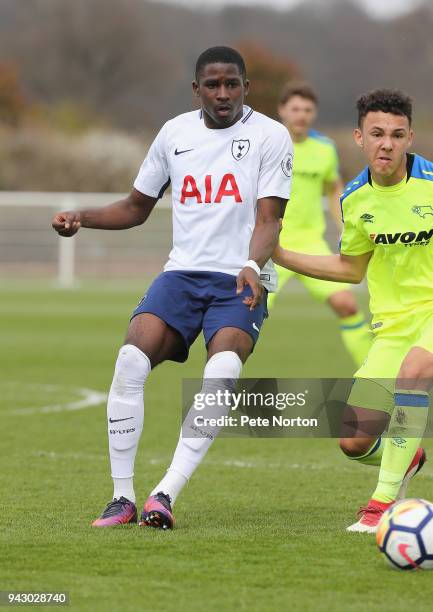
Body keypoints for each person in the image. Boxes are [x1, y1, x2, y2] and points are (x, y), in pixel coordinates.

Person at [52, 46, 293, 529]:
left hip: (239, 278)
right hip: (181, 276)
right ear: (196, 89)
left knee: (222, 369)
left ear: (247, 87)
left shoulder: (271, 135)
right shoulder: (174, 133)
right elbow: (136, 207)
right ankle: (122, 498)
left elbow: (270, 220)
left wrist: (251, 263)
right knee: (129, 361)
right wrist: (84, 217)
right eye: (213, 84)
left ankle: (165, 492)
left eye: (232, 84)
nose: (222, 93)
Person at [273, 88, 431, 533]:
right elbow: (349, 268)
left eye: (398, 135)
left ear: (410, 138)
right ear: (360, 137)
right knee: (354, 440)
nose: (387, 144)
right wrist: (282, 256)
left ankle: (381, 504)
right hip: (392, 327)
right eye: (378, 134)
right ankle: (408, 455)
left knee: (414, 374)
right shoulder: (356, 200)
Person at [269, 82, 371, 367]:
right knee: (245, 314)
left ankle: (374, 378)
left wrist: (345, 228)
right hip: (270, 244)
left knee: (347, 305)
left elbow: (334, 189)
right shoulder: (266, 144)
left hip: (312, 243)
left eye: (308, 109)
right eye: (296, 109)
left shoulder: (324, 149)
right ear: (282, 111)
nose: (301, 114)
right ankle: (218, 384)